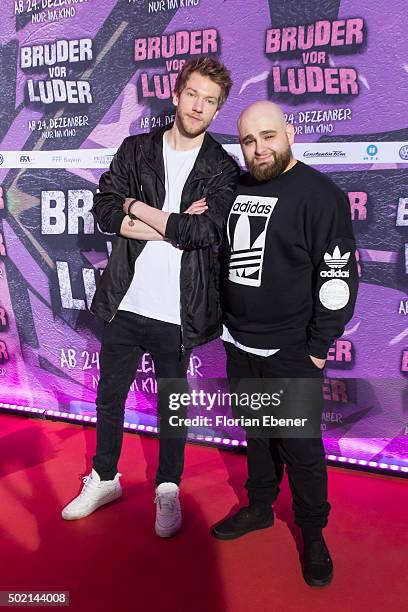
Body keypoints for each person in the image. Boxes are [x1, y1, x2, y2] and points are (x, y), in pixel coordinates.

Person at [61, 57, 239, 537]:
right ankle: (103, 477)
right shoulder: (136, 149)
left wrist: (137, 208)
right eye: (194, 94)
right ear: (177, 94)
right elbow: (103, 209)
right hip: (125, 298)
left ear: (217, 109)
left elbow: (204, 231)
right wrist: (169, 223)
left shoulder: (222, 167)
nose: (199, 106)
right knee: (109, 396)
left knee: (172, 406)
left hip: (179, 311)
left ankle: (168, 487)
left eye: (210, 101)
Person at [211, 101, 358, 587]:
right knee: (256, 435)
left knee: (300, 447)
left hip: (292, 350)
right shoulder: (237, 187)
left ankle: (313, 533)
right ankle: (258, 507)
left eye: (268, 136)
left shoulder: (320, 195)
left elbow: (337, 277)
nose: (259, 149)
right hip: (239, 342)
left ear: (290, 132)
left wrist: (317, 348)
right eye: (249, 141)